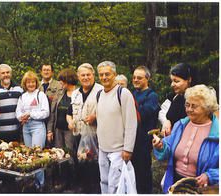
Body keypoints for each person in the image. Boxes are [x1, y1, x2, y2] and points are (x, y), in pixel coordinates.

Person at [153, 84, 219, 193]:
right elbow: (167, 148)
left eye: (194, 106)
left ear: (207, 108)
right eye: (187, 105)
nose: (189, 109)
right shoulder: (180, 125)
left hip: (202, 188)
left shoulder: (217, 134)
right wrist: (160, 146)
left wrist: (210, 176)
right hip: (174, 184)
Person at [96, 61, 137, 194]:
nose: (104, 77)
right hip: (102, 148)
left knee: (116, 186)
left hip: (118, 150)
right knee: (104, 181)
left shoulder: (123, 93)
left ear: (114, 74)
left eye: (107, 74)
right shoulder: (99, 94)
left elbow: (131, 123)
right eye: (101, 75)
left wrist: (128, 149)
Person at [66, 63, 103, 193]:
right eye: (83, 75)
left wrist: (95, 116)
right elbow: (69, 113)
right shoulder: (75, 93)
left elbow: (108, 110)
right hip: (78, 134)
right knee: (80, 163)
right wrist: (70, 122)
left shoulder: (101, 90)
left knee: (95, 164)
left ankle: (96, 190)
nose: (86, 77)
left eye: (88, 74)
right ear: (78, 77)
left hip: (95, 135)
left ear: (93, 75)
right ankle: (83, 189)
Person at [15, 70, 50, 191]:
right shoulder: (22, 96)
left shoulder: (40, 95)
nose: (30, 84)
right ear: (25, 84)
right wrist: (21, 118)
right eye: (28, 82)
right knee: (29, 156)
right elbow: (18, 112)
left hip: (38, 126)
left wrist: (30, 114)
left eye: (33, 82)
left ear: (36, 82)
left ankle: (41, 184)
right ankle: (32, 183)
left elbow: (46, 112)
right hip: (26, 127)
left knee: (37, 156)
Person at [46, 68, 78, 191]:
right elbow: (52, 114)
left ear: (68, 80)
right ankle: (63, 180)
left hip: (71, 131)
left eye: (62, 81)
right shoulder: (59, 93)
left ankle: (73, 182)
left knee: (70, 156)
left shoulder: (78, 94)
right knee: (60, 156)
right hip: (58, 129)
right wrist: (50, 130)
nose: (60, 83)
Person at [131, 66, 160, 194]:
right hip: (131, 139)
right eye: (134, 77)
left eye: (139, 78)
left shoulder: (152, 95)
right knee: (132, 171)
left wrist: (131, 110)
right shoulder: (133, 93)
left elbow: (143, 114)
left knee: (143, 172)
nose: (136, 80)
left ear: (147, 79)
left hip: (143, 140)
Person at [0, 64, 23, 142]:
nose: (6, 75)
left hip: (16, 132)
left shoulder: (20, 89)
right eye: (3, 73)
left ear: (11, 74)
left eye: (8, 72)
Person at [159, 63, 193, 136]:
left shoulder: (198, 99)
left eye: (176, 81)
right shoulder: (176, 97)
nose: (172, 85)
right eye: (172, 81)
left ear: (189, 80)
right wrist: (166, 121)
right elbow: (163, 111)